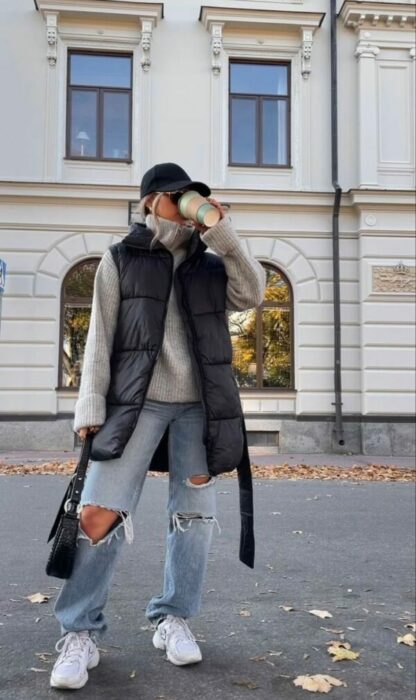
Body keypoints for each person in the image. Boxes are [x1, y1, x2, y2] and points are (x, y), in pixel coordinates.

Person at [50, 162, 266, 690]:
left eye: (193, 196)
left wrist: (221, 229)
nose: (188, 203)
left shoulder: (211, 267)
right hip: (135, 405)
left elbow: (255, 292)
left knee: (193, 519)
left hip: (199, 408)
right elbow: (99, 337)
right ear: (150, 202)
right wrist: (89, 410)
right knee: (99, 513)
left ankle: (173, 617)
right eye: (178, 196)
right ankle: (79, 632)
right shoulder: (121, 258)